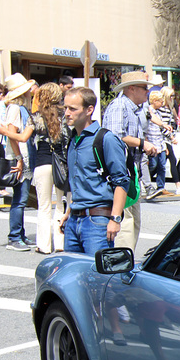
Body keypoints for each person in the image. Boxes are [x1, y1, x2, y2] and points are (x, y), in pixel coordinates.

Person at [0, 82, 69, 253]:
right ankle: (60, 244)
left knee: (43, 206)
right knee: (60, 205)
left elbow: (22, 138)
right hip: (61, 164)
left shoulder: (35, 116)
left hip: (42, 163)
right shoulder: (64, 115)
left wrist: (5, 132)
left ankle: (44, 246)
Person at [59, 86, 129, 254]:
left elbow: (122, 181)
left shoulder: (105, 139)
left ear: (89, 110)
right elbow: (78, 181)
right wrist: (68, 212)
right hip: (74, 219)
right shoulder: (73, 140)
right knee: (74, 275)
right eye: (65, 108)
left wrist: (115, 219)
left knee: (97, 276)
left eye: (73, 109)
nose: (67, 113)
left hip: (97, 221)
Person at [103, 71, 158, 252]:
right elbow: (115, 136)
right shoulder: (119, 105)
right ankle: (120, 263)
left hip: (131, 171)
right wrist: (142, 143)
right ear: (131, 88)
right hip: (121, 172)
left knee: (133, 222)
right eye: (144, 88)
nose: (147, 92)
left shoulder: (135, 109)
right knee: (125, 224)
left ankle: (127, 259)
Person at [0, 74, 38, 250]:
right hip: (19, 157)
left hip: (22, 157)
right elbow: (12, 136)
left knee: (21, 198)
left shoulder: (19, 108)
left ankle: (19, 234)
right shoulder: (15, 108)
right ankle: (14, 237)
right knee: (19, 199)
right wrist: (19, 159)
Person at [153, 87, 180, 194]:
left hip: (166, 139)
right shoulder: (162, 109)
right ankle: (175, 185)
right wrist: (171, 137)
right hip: (163, 139)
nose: (173, 98)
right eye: (171, 96)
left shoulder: (169, 108)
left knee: (163, 163)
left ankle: (164, 186)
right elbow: (161, 126)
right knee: (161, 163)